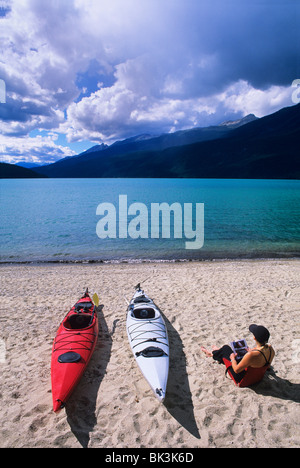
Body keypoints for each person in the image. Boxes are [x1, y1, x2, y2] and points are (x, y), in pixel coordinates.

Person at [201, 324, 275, 386]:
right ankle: (216, 352)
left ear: (254, 338)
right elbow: (267, 366)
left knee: (226, 349)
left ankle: (212, 353)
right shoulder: (270, 349)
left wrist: (233, 358)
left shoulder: (251, 355)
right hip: (258, 377)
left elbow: (236, 370)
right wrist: (251, 351)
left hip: (243, 379)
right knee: (230, 352)